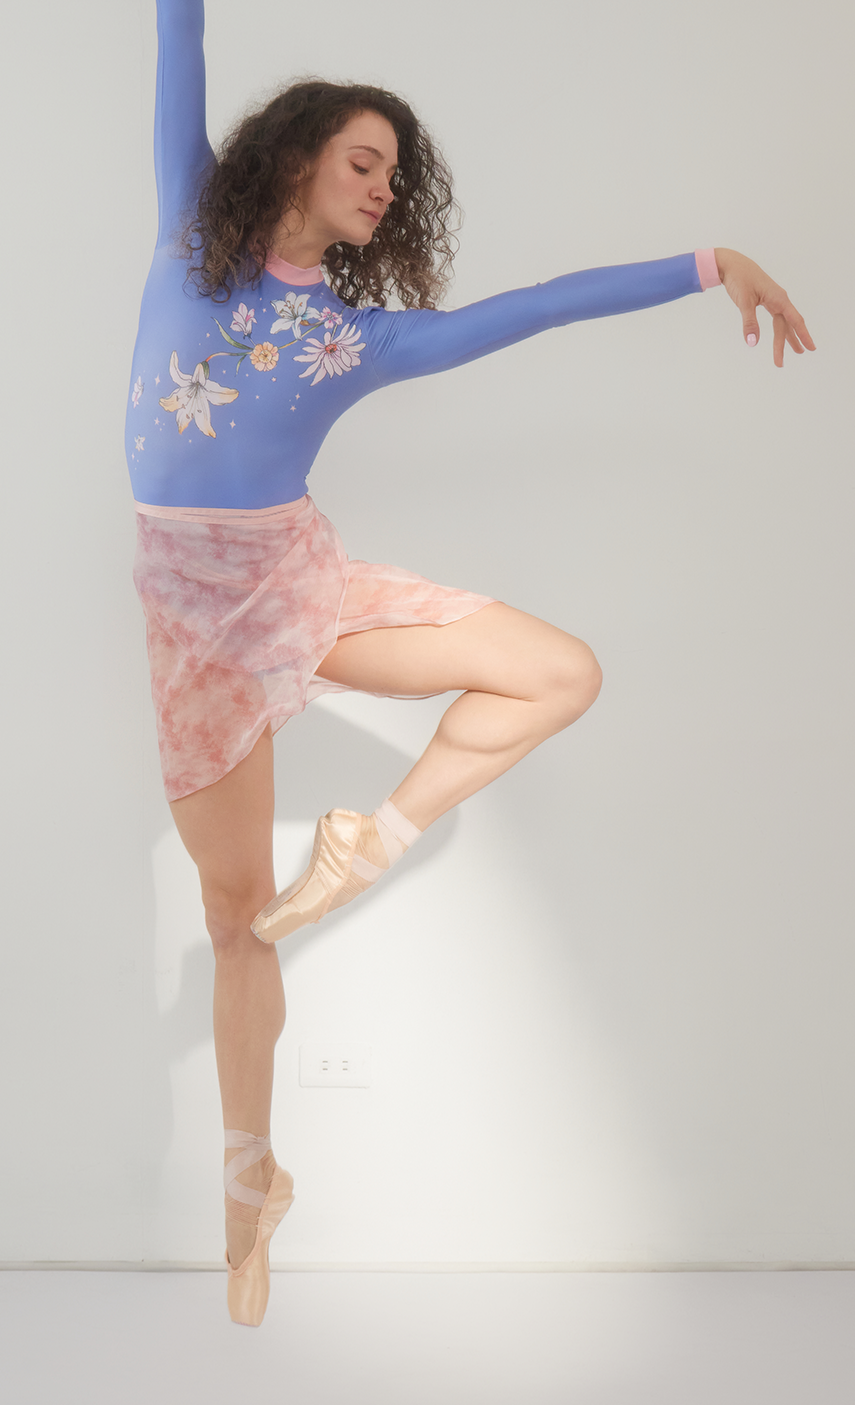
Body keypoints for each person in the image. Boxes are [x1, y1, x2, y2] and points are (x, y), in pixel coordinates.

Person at [126, 0, 815, 1326]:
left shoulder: (361, 338)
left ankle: (367, 845)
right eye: (364, 161)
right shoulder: (183, 229)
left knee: (558, 671)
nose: (385, 188)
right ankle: (249, 1180)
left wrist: (704, 262)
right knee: (231, 922)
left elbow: (539, 309)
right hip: (188, 616)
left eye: (396, 173)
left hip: (296, 580)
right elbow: (177, 44)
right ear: (294, 158)